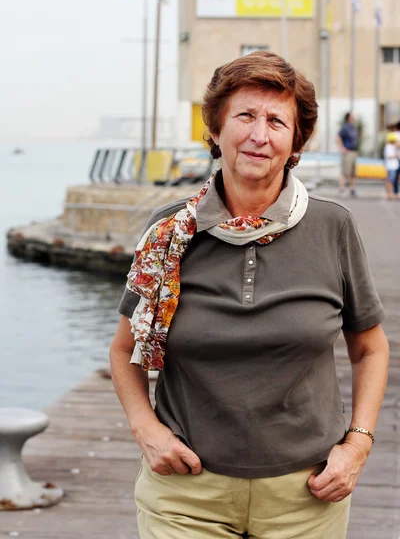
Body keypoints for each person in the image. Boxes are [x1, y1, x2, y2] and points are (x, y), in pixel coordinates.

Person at [109, 51, 389, 539]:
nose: (260, 135)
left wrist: (358, 443)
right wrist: (146, 430)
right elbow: (124, 349)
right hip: (184, 494)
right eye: (245, 115)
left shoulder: (332, 227)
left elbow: (370, 348)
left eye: (277, 121)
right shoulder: (169, 234)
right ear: (216, 129)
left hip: (307, 496)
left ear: (295, 142)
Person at [336, 112, 359, 197]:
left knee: (353, 172)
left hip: (354, 151)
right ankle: (341, 189)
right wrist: (342, 148)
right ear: (349, 117)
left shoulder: (353, 127)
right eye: (353, 116)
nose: (354, 117)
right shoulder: (345, 127)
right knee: (345, 171)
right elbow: (337, 137)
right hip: (348, 152)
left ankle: (352, 189)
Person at [383, 126, 399, 199]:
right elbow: (389, 156)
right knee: (390, 180)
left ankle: (390, 193)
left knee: (390, 179)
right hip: (390, 166)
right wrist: (395, 155)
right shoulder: (388, 147)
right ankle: (389, 193)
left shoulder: (393, 146)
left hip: (393, 165)